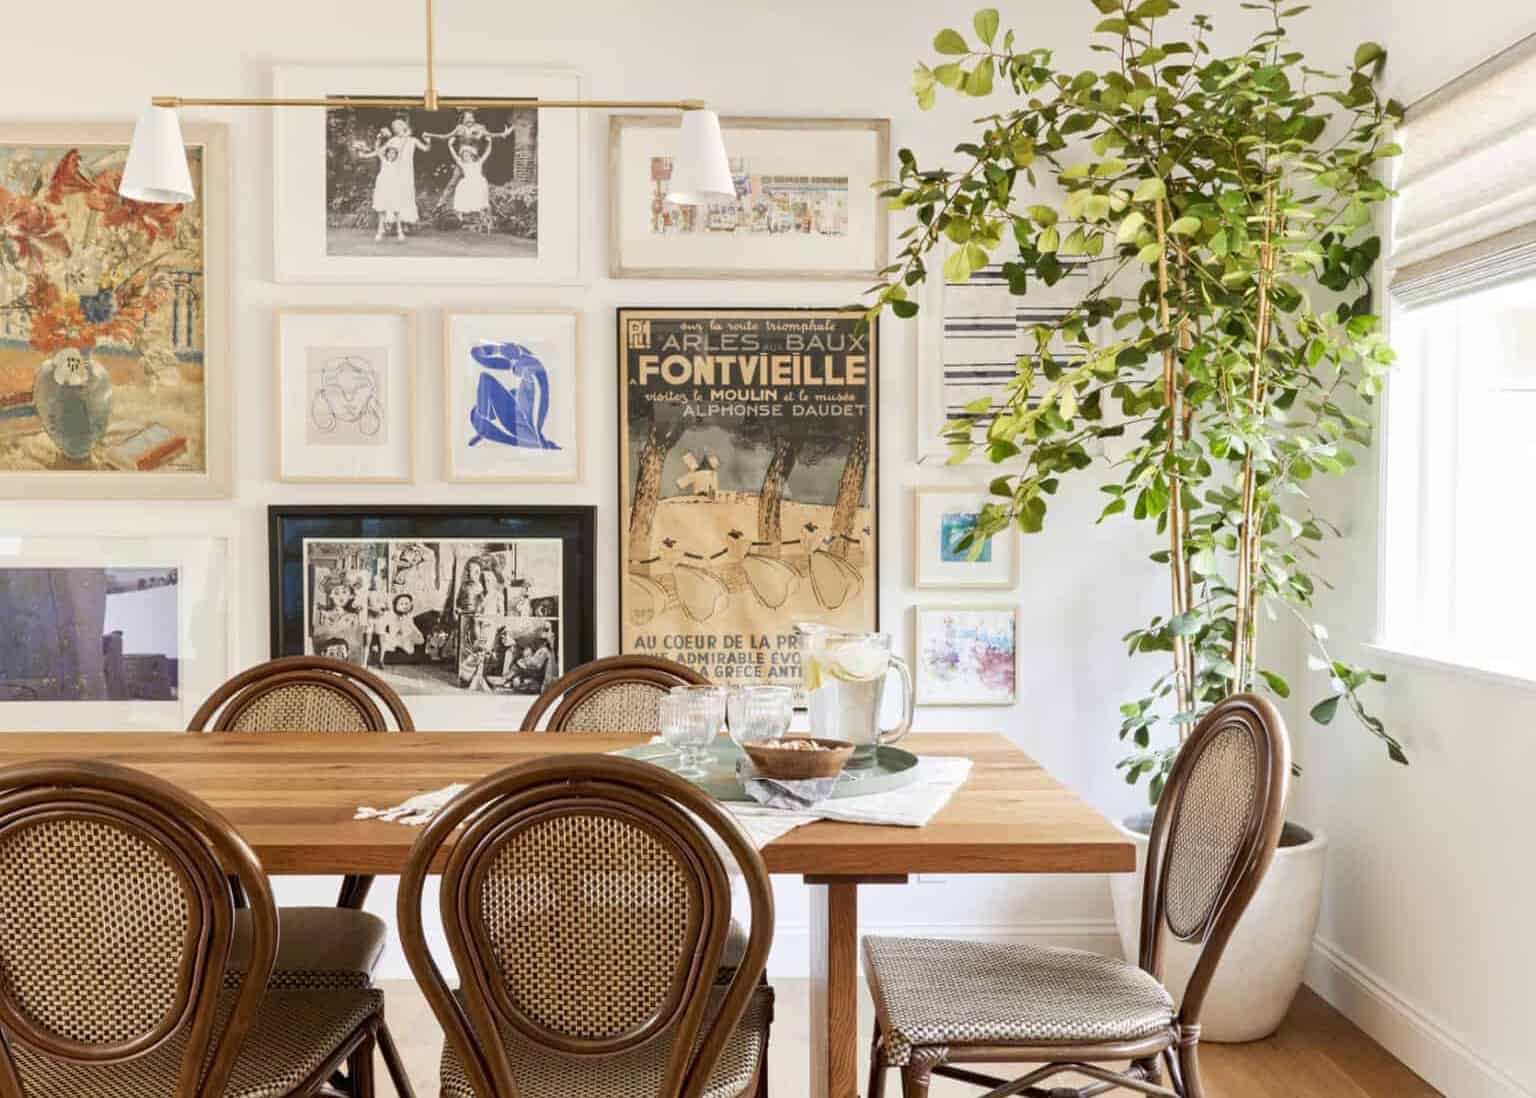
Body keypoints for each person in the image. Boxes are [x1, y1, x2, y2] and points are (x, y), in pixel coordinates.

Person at [355, 118, 428, 241]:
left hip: (406, 171)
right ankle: (390, 224)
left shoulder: (412, 140)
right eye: (394, 128)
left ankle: (406, 224)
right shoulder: (392, 141)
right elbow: (380, 151)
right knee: (392, 196)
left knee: (406, 195)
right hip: (393, 172)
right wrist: (365, 155)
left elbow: (426, 149)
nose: (395, 129)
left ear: (402, 126)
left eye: (397, 127)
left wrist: (428, 141)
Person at [451, 141, 491, 232]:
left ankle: (483, 221)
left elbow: (487, 153)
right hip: (467, 183)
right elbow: (455, 157)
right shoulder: (463, 165)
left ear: (471, 155)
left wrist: (490, 142)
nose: (464, 157)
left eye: (466, 155)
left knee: (480, 202)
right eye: (463, 155)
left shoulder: (478, 163)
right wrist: (450, 146)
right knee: (461, 196)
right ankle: (460, 219)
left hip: (478, 183)